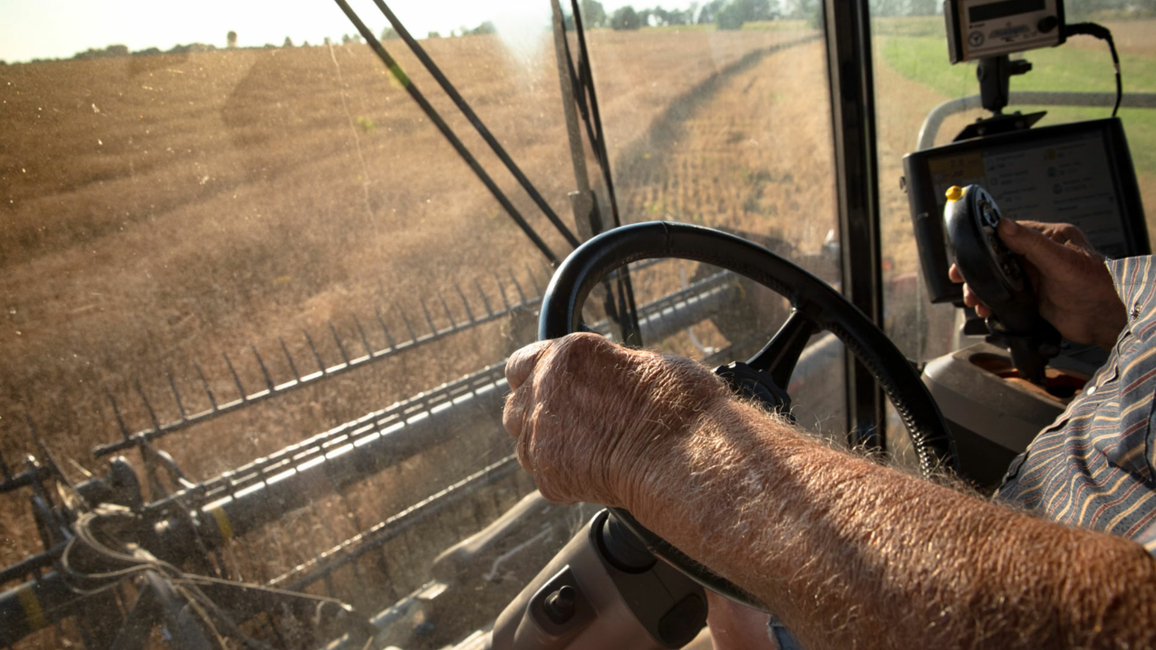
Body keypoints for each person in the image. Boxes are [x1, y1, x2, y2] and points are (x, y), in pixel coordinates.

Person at [502, 218, 1156, 649]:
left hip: (994, 606)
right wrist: (1112, 317)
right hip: (1038, 519)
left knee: (731, 610)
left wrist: (665, 437)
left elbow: (1109, 625)